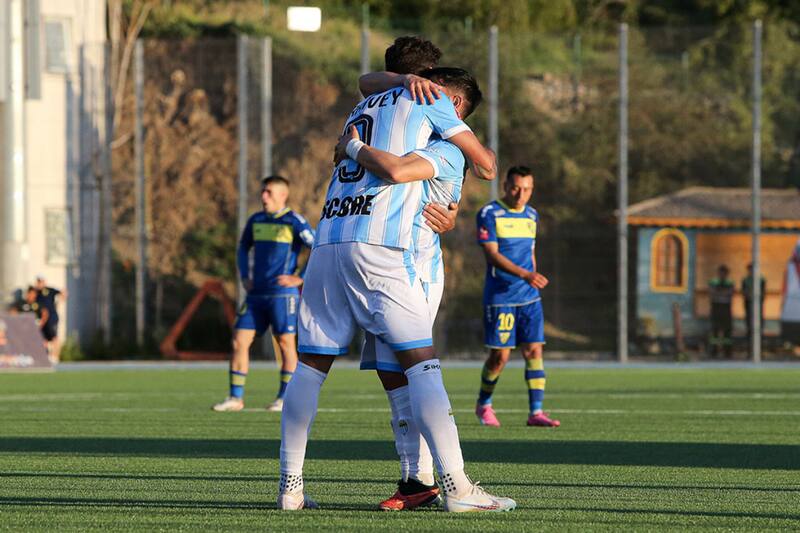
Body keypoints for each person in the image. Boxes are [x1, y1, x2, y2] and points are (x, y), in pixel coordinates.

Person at [279, 67, 515, 513]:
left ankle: (291, 488)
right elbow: (484, 163)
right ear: (446, 97)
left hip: (330, 237)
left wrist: (350, 145)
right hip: (387, 248)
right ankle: (454, 486)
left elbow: (365, 81)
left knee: (311, 366)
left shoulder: (367, 103)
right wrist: (359, 147)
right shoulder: (434, 106)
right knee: (419, 364)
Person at [350, 36, 460, 512]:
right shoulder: (386, 115)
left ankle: (450, 482)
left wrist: (351, 148)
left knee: (414, 371)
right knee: (393, 379)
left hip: (412, 266)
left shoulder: (435, 134)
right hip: (384, 263)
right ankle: (417, 481)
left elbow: (450, 175)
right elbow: (366, 83)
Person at [212, 176, 315, 413]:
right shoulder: (255, 220)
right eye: (263, 192)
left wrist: (301, 278)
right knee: (239, 340)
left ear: (282, 195)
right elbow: (242, 247)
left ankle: (284, 398)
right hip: (256, 295)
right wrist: (244, 277)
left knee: (286, 343)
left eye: (269, 192)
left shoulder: (294, 221)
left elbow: (316, 246)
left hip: (283, 295)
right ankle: (235, 398)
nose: (263, 196)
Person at [472, 166, 558, 428]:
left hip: (529, 297)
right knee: (500, 358)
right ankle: (484, 404)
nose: (521, 194)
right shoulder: (489, 213)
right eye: (515, 188)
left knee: (534, 350)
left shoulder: (532, 215)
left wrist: (531, 279)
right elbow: (492, 254)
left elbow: (530, 253)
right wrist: (526, 275)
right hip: (501, 297)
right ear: (505, 186)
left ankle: (536, 413)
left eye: (527, 189)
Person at [33, 276, 65, 362]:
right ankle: (46, 356)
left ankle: (55, 356)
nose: (39, 284)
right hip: (43, 320)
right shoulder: (36, 293)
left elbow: (62, 292)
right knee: (44, 339)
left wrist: (60, 302)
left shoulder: (49, 290)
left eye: (40, 282)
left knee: (54, 337)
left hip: (52, 318)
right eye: (38, 282)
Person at [708, 264, 735, 358]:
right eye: (721, 272)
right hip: (716, 308)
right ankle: (714, 351)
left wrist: (719, 293)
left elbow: (730, 293)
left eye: (724, 273)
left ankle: (727, 351)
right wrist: (722, 293)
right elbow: (712, 293)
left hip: (726, 308)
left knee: (727, 331)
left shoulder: (729, 282)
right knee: (715, 330)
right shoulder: (713, 281)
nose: (722, 274)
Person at [742, 263, 766, 345]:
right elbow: (745, 293)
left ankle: (759, 349)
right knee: (749, 328)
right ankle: (750, 349)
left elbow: (762, 293)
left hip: (758, 307)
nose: (751, 272)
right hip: (748, 306)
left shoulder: (761, 280)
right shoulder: (745, 280)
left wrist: (753, 295)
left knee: (759, 328)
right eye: (750, 270)